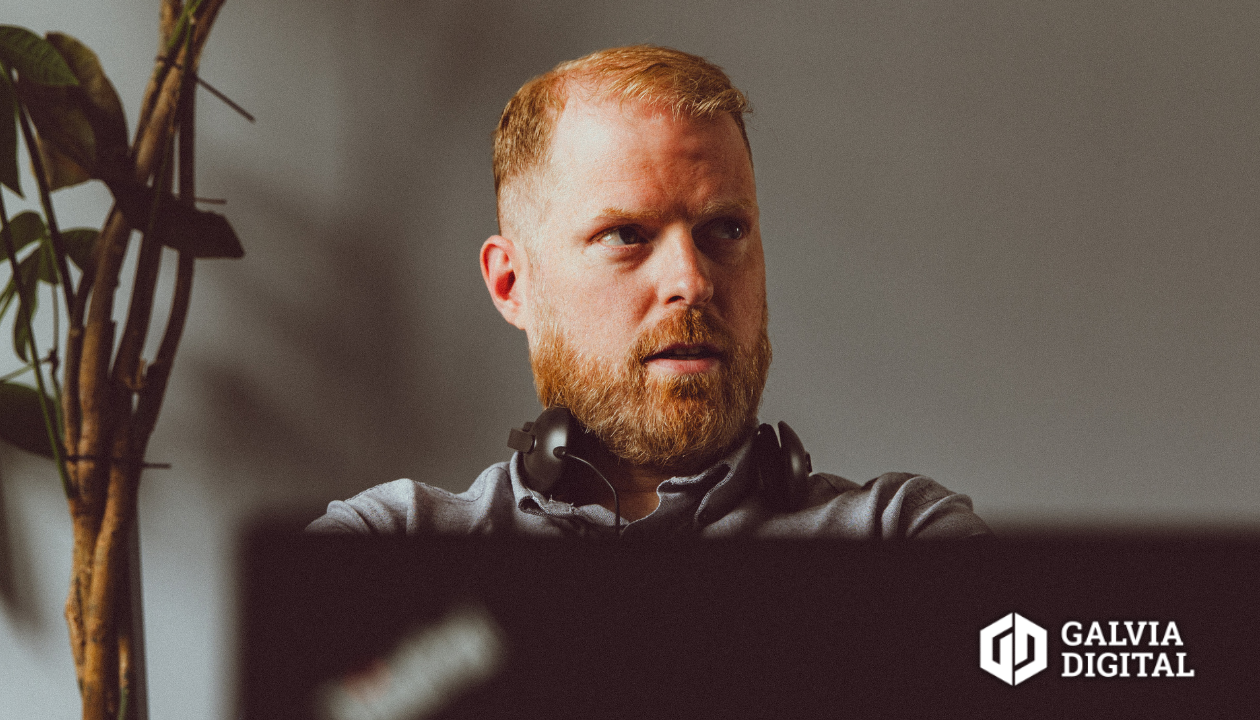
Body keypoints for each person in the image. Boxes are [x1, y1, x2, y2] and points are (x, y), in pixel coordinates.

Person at [308, 45, 989, 539]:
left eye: (725, 229)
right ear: (512, 284)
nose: (692, 282)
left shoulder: (902, 538)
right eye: (626, 234)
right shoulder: (387, 545)